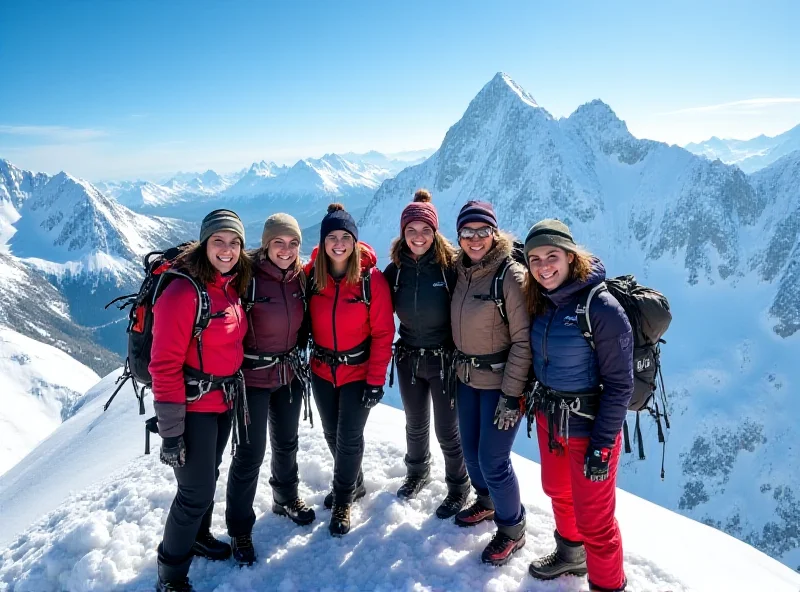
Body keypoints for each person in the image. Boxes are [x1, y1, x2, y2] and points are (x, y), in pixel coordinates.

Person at [524, 219, 632, 592]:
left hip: (590, 430)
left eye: (552, 256)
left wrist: (603, 445)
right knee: (557, 491)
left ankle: (609, 585)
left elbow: (620, 385)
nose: (543, 266)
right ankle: (572, 554)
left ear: (571, 257)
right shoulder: (539, 299)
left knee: (596, 523)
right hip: (550, 421)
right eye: (534, 258)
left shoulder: (602, 308)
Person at [151, 209, 251, 592]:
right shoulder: (182, 293)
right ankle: (170, 574)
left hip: (222, 403)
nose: (227, 250)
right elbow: (164, 365)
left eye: (234, 242)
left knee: (208, 476)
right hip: (193, 409)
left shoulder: (229, 284)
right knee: (194, 493)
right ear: (204, 244)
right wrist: (172, 434)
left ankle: (198, 536)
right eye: (219, 241)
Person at [225, 213, 315, 567]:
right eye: (279, 242)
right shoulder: (245, 277)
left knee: (287, 442)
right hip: (251, 379)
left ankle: (285, 497)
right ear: (265, 244)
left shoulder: (300, 277)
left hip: (288, 373)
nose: (286, 249)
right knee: (250, 453)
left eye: (293, 243)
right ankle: (239, 528)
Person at [449, 200, 531, 566]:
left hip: (501, 385)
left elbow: (523, 340)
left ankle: (513, 527)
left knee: (493, 459)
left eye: (483, 231)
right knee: (471, 453)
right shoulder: (461, 270)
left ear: (494, 234)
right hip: (467, 379)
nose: (475, 239)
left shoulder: (509, 275)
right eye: (467, 232)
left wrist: (513, 395)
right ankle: (485, 502)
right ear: (459, 237)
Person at [305, 203, 394, 536]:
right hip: (321, 369)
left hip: (358, 371)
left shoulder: (372, 281)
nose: (339, 243)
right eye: (332, 237)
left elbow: (384, 333)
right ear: (324, 241)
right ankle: (353, 482)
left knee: (349, 436)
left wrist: (375, 380)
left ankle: (343, 499)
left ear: (355, 242)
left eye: (345, 237)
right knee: (331, 433)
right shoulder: (311, 277)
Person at [382, 189, 470, 518]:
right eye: (411, 231)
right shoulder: (397, 271)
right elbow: (375, 307)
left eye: (425, 231)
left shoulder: (450, 269)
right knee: (415, 423)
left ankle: (459, 486)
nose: (418, 238)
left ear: (435, 233)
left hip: (444, 361)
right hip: (407, 358)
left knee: (448, 429)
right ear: (403, 234)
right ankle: (417, 473)